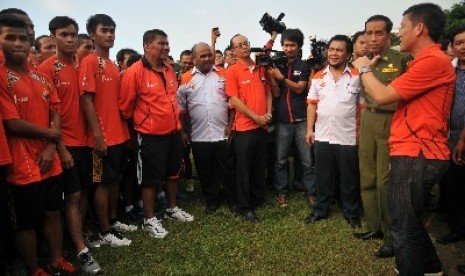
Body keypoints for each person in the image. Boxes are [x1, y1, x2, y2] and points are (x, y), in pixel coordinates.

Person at [353, 3, 455, 275]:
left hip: (420, 153)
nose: (399, 33)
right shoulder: (424, 61)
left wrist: (363, 68)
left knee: (402, 224)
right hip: (409, 151)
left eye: (402, 27)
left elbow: (384, 96)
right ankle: (431, 267)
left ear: (419, 28)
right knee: (408, 219)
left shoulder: (433, 60)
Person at [0, 14, 76, 275]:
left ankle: (57, 260)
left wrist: (51, 146)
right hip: (21, 166)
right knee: (26, 224)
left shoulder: (39, 76)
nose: (19, 43)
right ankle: (34, 270)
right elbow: (13, 123)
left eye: (22, 37)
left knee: (54, 213)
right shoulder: (1, 77)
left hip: (49, 159)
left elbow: (55, 109)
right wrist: (53, 136)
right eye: (10, 38)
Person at [38, 16, 101, 274]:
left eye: (73, 34)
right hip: (66, 145)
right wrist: (61, 147)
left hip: (88, 142)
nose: (70, 39)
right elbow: (48, 114)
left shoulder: (83, 65)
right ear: (53, 37)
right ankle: (79, 249)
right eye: (64, 34)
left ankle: (81, 234)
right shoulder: (46, 69)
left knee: (84, 191)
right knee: (72, 195)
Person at [119, 28, 194, 239]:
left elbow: (173, 101)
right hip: (150, 135)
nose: (166, 47)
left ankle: (171, 209)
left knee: (172, 173)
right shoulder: (135, 72)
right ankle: (150, 219)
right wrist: (143, 125)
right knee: (150, 179)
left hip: (172, 133)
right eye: (161, 43)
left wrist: (178, 129)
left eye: (167, 43)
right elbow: (125, 108)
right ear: (147, 46)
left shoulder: (169, 69)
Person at [354, 14, 411, 259]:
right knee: (366, 175)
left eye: (379, 33)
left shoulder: (402, 59)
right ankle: (374, 226)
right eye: (369, 33)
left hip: (392, 119)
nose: (373, 37)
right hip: (369, 119)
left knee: (384, 181)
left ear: (389, 35)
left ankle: (391, 237)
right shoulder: (363, 61)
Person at [80, 13, 132, 247]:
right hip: (99, 139)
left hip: (119, 135)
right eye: (104, 30)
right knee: (101, 183)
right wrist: (98, 135)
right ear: (93, 34)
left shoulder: (112, 65)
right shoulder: (89, 62)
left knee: (115, 179)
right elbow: (87, 100)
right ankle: (104, 230)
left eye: (112, 30)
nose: (109, 35)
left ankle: (112, 220)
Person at [305, 34, 362, 228]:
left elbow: (361, 107)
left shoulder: (357, 76)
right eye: (331, 49)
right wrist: (309, 129)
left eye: (339, 50)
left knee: (349, 176)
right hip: (322, 135)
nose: (334, 53)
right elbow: (312, 105)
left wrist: (361, 131)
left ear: (347, 54)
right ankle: (321, 209)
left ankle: (351, 212)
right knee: (322, 175)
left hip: (348, 136)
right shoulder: (318, 77)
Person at [177, 42, 236, 214]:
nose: (207, 58)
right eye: (202, 56)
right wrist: (182, 131)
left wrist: (231, 125)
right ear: (194, 59)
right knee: (205, 171)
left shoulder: (223, 74)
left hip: (223, 134)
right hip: (199, 135)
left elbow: (232, 103)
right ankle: (212, 200)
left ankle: (233, 200)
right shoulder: (186, 78)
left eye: (209, 55)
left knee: (228, 169)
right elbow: (181, 108)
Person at [225, 34, 272, 223]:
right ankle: (245, 206)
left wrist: (268, 113)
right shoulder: (232, 71)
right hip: (244, 127)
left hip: (263, 125)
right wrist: (256, 117)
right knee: (243, 168)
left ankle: (257, 197)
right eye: (239, 45)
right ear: (234, 51)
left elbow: (268, 91)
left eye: (246, 43)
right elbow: (234, 99)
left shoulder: (261, 67)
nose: (244, 47)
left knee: (260, 165)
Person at [267, 28, 314, 207]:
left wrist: (281, 78)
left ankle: (311, 192)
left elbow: (300, 88)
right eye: (285, 45)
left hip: (301, 119)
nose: (288, 49)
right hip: (283, 120)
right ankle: (282, 192)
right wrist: (274, 78)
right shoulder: (278, 65)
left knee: (307, 160)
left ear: (299, 46)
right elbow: (277, 94)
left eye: (292, 45)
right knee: (280, 160)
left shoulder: (303, 65)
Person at [436, 24, 465, 245]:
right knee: (451, 182)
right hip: (449, 135)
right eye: (459, 43)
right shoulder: (450, 70)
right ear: (452, 47)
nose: (463, 47)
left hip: (462, 137)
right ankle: (456, 225)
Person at [177, 49, 195, 193]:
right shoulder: (175, 78)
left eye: (190, 62)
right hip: (178, 121)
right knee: (182, 152)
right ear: (180, 62)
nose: (187, 65)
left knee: (194, 151)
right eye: (185, 62)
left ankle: (190, 179)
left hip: (195, 120)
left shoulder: (197, 77)